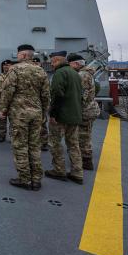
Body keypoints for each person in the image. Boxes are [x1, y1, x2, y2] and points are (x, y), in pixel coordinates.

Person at [0, 45, 50, 191]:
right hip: (36, 114)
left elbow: (8, 91)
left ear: (22, 55)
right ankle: (36, 179)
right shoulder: (40, 71)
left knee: (20, 145)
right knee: (34, 145)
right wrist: (44, 112)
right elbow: (46, 95)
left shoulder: (14, 69)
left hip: (19, 114)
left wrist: (3, 109)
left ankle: (24, 179)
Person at [45, 51, 84, 184]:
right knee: (73, 144)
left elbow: (57, 93)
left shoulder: (60, 73)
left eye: (52, 61)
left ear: (57, 60)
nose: (51, 64)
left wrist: (54, 114)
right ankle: (77, 172)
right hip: (75, 115)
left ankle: (59, 170)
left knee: (55, 143)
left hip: (61, 115)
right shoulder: (76, 74)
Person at [68, 53, 100, 170]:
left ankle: (86, 161)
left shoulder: (82, 75)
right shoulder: (86, 73)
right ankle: (84, 158)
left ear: (76, 63)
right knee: (84, 136)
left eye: (70, 64)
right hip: (89, 110)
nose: (69, 67)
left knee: (83, 137)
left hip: (85, 111)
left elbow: (82, 96)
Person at [0, 60, 13, 142]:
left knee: (12, 120)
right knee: (1, 119)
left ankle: (12, 136)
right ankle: (2, 136)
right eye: (4, 65)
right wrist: (3, 91)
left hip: (12, 101)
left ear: (11, 66)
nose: (6, 67)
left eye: (8, 65)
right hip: (0, 101)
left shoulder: (14, 76)